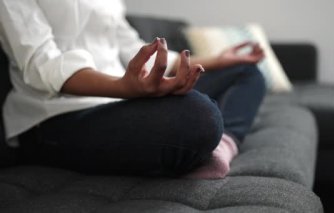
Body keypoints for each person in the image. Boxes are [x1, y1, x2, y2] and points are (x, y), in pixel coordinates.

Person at [0, 0, 266, 178]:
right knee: (199, 117)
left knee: (245, 72)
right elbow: (40, 65)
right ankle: (205, 142)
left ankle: (221, 147)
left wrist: (217, 61)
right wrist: (124, 88)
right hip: (55, 117)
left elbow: (134, 50)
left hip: (121, 100)